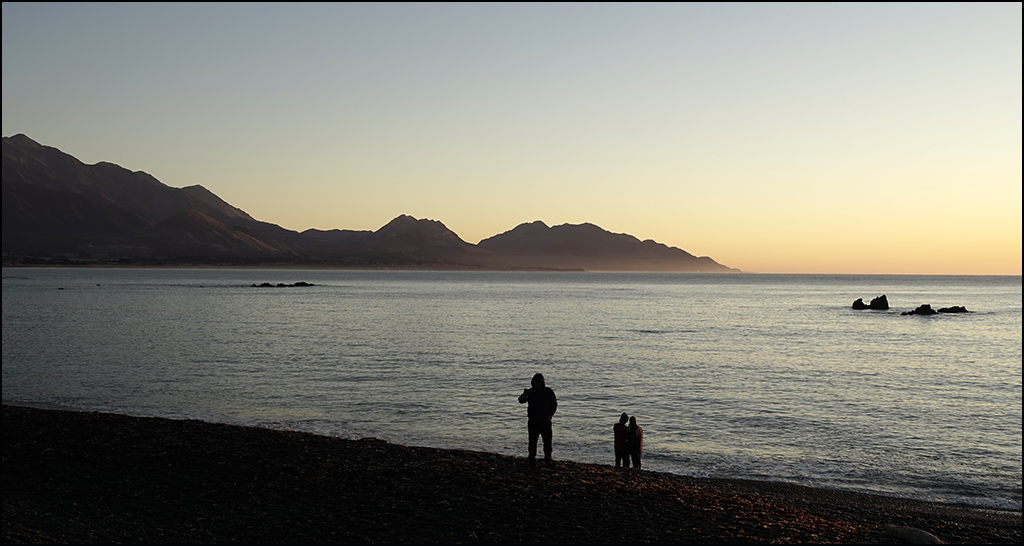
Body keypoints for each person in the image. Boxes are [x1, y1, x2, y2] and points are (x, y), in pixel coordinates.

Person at [517, 373, 557, 465]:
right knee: (532, 440)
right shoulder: (530, 392)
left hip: (545, 420)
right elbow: (521, 400)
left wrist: (550, 415)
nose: (537, 384)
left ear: (542, 383)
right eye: (535, 383)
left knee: (547, 441)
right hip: (533, 420)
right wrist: (524, 395)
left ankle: (548, 457)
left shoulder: (548, 392)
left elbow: (554, 405)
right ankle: (531, 457)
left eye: (538, 383)